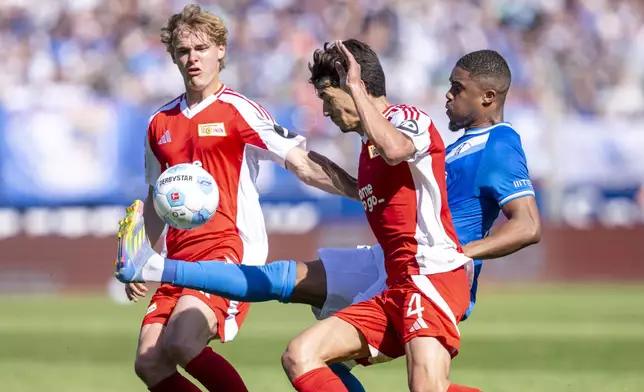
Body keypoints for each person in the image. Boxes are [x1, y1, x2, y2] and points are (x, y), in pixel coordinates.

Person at [117, 39, 482, 391]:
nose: (325, 111)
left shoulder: (406, 117)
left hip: (429, 274)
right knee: (300, 355)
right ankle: (156, 266)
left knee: (426, 388)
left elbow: (395, 147)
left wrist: (354, 85)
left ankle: (156, 267)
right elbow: (357, 179)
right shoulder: (367, 150)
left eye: (327, 97)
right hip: (395, 280)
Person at [124, 5, 359, 392]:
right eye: (183, 51)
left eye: (201, 48)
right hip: (177, 258)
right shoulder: (159, 123)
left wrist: (358, 190)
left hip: (226, 251)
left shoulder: (238, 110)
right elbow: (156, 197)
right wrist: (141, 256)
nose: (192, 58)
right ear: (172, 57)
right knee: (149, 362)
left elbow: (300, 162)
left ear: (220, 50)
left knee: (182, 342)